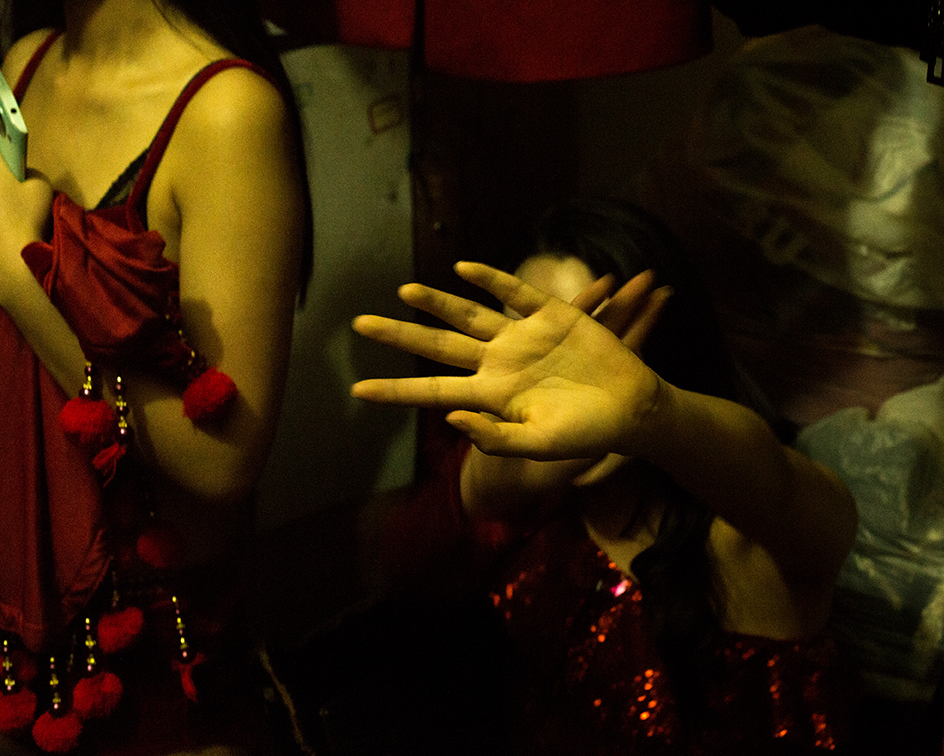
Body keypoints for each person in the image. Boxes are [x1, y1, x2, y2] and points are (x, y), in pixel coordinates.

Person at [352, 199, 859, 755]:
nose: (559, 384)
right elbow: (403, 578)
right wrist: (476, 490)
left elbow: (784, 491)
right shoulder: (533, 502)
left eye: (597, 340)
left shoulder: (749, 532)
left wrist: (652, 413)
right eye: (530, 345)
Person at [0, 1, 308, 753]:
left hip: (154, 669)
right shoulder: (25, 65)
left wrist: (17, 280)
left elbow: (221, 457)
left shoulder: (228, 112)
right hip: (22, 639)